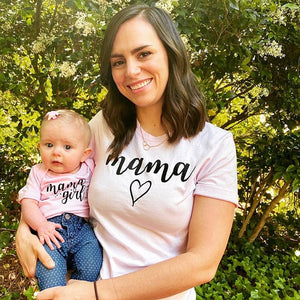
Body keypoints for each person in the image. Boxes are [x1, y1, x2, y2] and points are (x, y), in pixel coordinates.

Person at [15, 4, 238, 300]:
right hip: (82, 286)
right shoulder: (102, 127)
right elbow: (52, 175)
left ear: (171, 54)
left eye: (143, 54)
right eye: (118, 61)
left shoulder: (214, 146)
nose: (131, 71)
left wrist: (97, 293)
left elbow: (203, 263)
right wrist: (24, 228)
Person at [17, 109, 102, 290]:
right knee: (50, 273)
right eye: (49, 145)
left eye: (67, 147)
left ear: (85, 154)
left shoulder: (89, 167)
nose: (56, 152)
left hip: (82, 230)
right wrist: (40, 226)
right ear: (39, 146)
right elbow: (28, 203)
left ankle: (74, 292)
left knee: (91, 267)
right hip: (50, 231)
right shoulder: (38, 172)